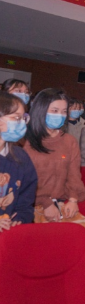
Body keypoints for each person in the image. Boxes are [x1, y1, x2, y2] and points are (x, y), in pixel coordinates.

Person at [23, 89, 85, 229]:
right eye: (54, 110)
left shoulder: (69, 141)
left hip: (61, 202)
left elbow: (74, 175)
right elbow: (24, 181)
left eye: (64, 111)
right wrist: (46, 203)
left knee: (79, 232)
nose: (60, 115)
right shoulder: (25, 141)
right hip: (30, 204)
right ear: (41, 110)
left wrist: (73, 199)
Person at [0, 92, 37, 229]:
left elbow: (26, 197)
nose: (21, 123)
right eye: (16, 118)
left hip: (9, 230)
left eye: (23, 118)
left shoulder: (20, 156)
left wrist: (21, 217)